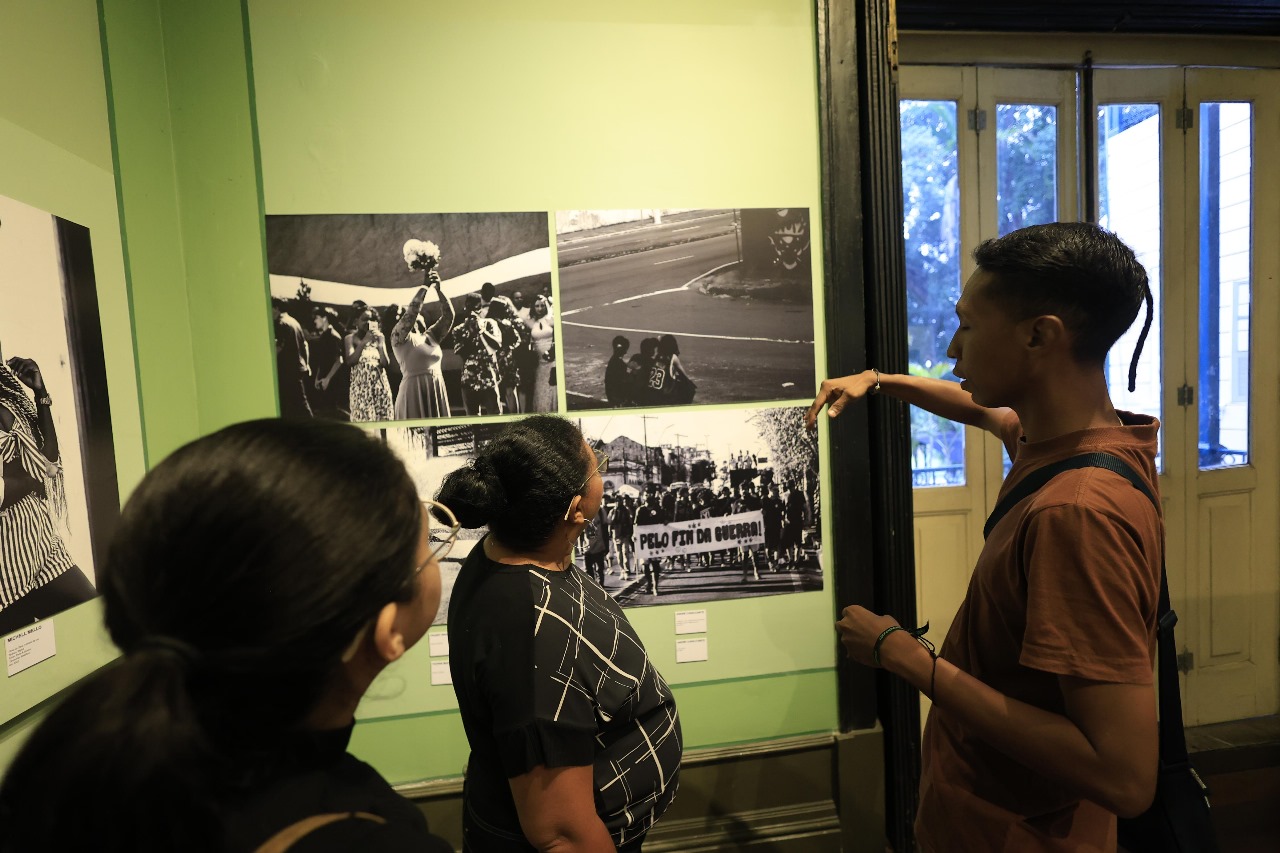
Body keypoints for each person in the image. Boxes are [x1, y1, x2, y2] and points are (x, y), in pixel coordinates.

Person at [807, 222, 1161, 852]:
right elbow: (979, 409)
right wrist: (879, 381)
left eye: (967, 325)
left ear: (1038, 335)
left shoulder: (1075, 512)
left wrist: (899, 652)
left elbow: (1124, 777)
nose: (953, 347)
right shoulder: (1072, 443)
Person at [0, 419, 454, 853]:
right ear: (388, 629)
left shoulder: (84, 783)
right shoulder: (373, 843)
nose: (436, 547)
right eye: (429, 545)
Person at [438, 415, 681, 852]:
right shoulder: (535, 638)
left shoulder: (506, 550)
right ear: (575, 509)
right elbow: (562, 834)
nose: (602, 465)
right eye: (597, 464)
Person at [0, 350, 95, 637]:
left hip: (41, 544)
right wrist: (35, 476)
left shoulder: (8, 396)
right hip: (5, 567)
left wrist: (40, 394)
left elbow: (49, 457)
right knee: (24, 659)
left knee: (94, 623)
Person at [392, 274, 456, 420]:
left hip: (435, 389)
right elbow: (412, 312)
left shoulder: (432, 335)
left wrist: (439, 290)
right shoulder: (398, 337)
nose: (419, 314)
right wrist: (425, 287)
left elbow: (449, 316)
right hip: (413, 392)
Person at [453, 293, 502, 417]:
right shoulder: (459, 329)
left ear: (481, 309)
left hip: (488, 377)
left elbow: (497, 345)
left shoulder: (490, 324)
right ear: (465, 309)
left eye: (476, 308)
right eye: (469, 308)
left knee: (495, 416)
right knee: (472, 418)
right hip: (469, 379)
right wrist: (470, 333)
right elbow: (460, 352)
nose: (472, 312)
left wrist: (481, 331)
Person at [344, 307, 394, 422]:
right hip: (361, 388)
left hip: (380, 386)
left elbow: (385, 363)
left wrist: (381, 344)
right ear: (356, 321)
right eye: (365, 319)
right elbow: (350, 361)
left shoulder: (378, 338)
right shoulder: (350, 338)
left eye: (372, 319)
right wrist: (364, 342)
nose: (368, 322)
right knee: (364, 422)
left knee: (383, 421)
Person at [273, 298, 313, 418]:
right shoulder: (294, 322)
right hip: (298, 368)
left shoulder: (280, 323)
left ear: (276, 308)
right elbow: (305, 344)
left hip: (287, 370)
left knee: (296, 404)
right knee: (297, 402)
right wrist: (307, 364)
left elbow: (278, 347)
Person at [310, 306, 349, 421]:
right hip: (323, 380)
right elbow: (321, 360)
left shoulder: (333, 336)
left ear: (324, 318)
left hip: (332, 381)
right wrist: (317, 378)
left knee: (333, 414)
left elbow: (339, 360)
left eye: (317, 318)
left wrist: (327, 379)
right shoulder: (324, 335)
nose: (314, 321)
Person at [523, 295, 556, 413]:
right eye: (537, 306)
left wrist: (552, 351)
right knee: (540, 389)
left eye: (542, 306)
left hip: (552, 360)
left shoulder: (551, 320)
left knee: (551, 387)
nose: (540, 309)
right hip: (538, 362)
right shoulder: (530, 322)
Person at [605, 336, 632, 406]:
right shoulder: (620, 364)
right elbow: (624, 381)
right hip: (616, 397)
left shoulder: (613, 360)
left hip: (611, 394)